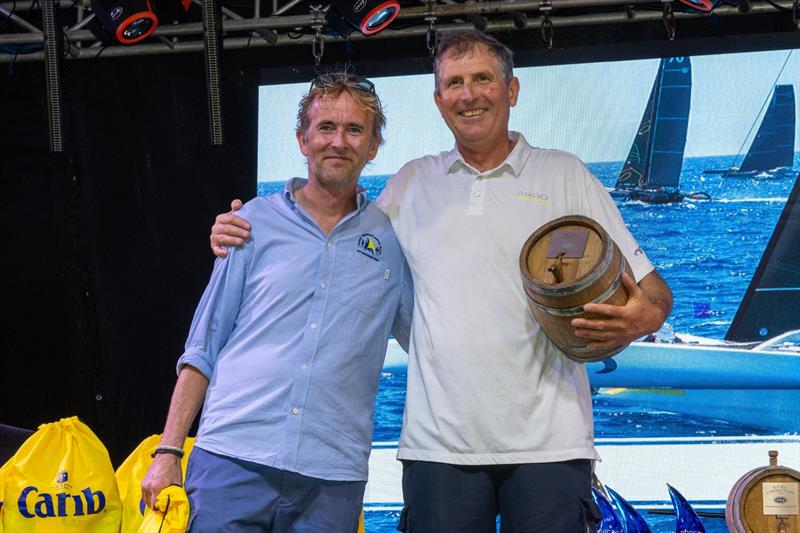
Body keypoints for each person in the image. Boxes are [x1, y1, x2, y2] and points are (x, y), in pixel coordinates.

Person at [210, 31, 673, 533]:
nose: (468, 94)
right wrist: (251, 223)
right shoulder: (411, 183)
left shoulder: (565, 174)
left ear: (512, 90)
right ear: (438, 100)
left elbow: (653, 294)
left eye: (482, 79)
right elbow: (334, 232)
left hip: (553, 442)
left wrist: (639, 319)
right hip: (437, 449)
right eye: (454, 82)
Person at [141, 71, 413, 532]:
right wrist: (168, 450)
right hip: (231, 457)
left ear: (373, 146)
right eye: (326, 127)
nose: (338, 142)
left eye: (354, 130)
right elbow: (203, 345)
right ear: (302, 139)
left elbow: (429, 341)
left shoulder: (391, 240)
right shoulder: (250, 223)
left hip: (332, 476)